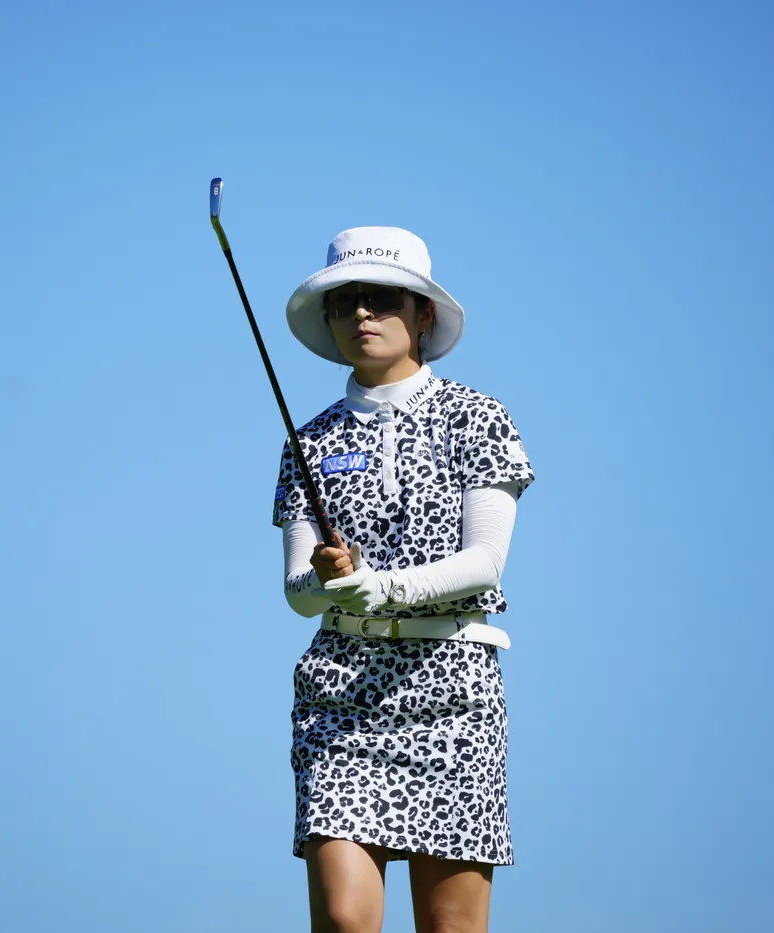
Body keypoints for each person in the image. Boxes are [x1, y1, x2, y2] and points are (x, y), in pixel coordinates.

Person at [272, 226, 536, 933]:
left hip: (453, 690)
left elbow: (484, 563)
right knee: (344, 919)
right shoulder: (308, 441)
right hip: (340, 694)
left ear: (423, 315)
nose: (362, 312)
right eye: (345, 301)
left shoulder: (478, 417)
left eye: (383, 298)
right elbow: (298, 592)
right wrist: (328, 579)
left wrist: (380, 586)